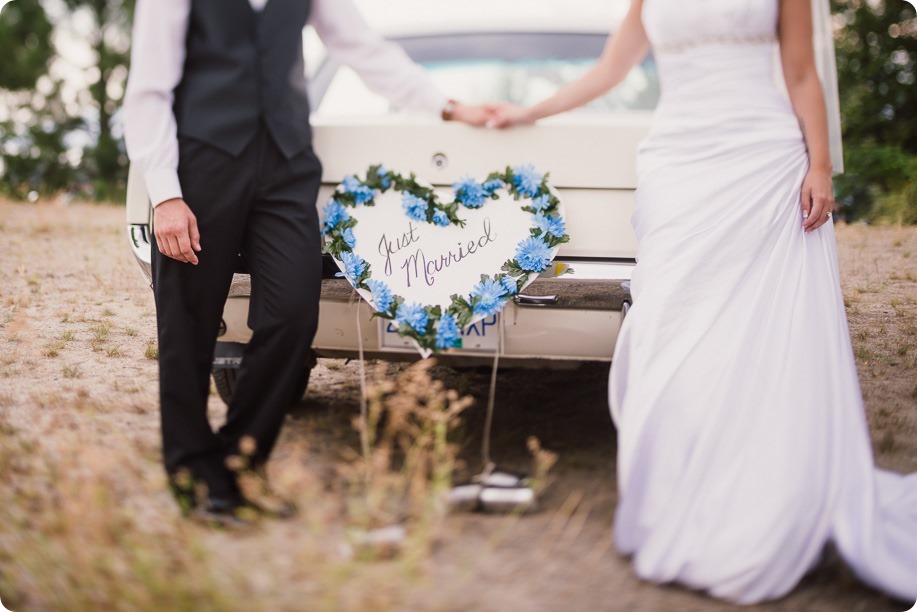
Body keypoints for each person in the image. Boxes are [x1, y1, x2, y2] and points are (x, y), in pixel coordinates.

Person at [488, 0, 917, 604]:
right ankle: (684, 497)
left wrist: (821, 165)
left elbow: (800, 73)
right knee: (670, 323)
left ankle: (767, 499)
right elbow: (611, 69)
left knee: (761, 329)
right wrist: (526, 111)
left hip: (759, 156)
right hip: (677, 163)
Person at [123, 0, 487, 526]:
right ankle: (191, 476)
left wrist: (446, 106)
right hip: (202, 163)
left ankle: (240, 461)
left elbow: (361, 46)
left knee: (294, 314)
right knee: (188, 327)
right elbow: (149, 87)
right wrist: (166, 193)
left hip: (288, 165)